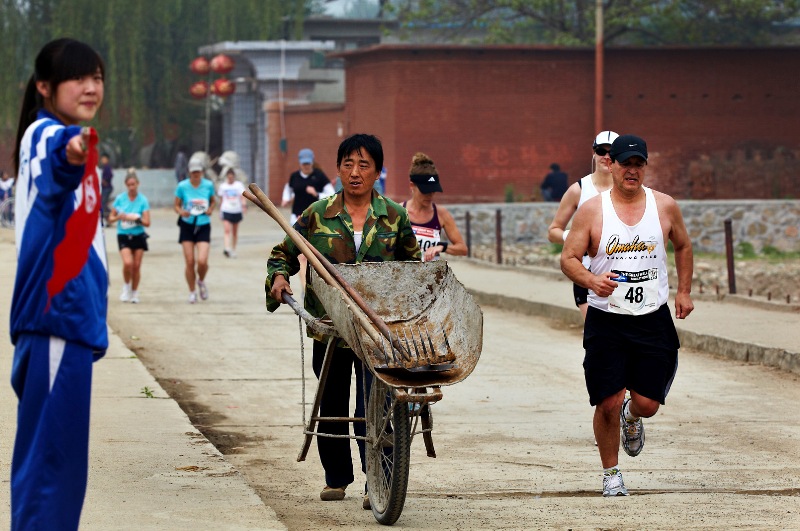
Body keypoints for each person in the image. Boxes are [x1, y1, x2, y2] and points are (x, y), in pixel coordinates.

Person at [266, 134, 420, 509]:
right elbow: (282, 252)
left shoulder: (394, 217)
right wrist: (279, 276)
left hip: (377, 331)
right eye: (348, 164)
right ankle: (336, 477)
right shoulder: (317, 214)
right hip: (329, 328)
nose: (355, 172)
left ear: (377, 172)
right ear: (337, 169)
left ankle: (378, 482)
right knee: (332, 404)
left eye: (364, 165)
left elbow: (413, 268)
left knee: (376, 407)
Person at [560, 134, 694, 497]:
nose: (631, 171)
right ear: (610, 164)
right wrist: (591, 280)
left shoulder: (664, 206)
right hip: (607, 318)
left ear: (645, 167)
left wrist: (683, 291)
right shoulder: (592, 210)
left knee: (648, 403)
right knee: (608, 400)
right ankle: (611, 474)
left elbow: (683, 245)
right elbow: (568, 258)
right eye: (625, 164)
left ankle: (632, 417)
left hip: (652, 316)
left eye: (638, 164)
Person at [9, 37, 107, 530]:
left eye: (98, 77)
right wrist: (71, 153)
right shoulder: (45, 134)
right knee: (51, 474)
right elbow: (56, 163)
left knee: (60, 471)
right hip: (56, 319)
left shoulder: (76, 139)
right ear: (45, 87)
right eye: (78, 78)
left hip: (70, 324)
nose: (91, 87)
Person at [547, 131, 619, 319]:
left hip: (621, 271)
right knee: (595, 330)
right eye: (601, 151)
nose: (606, 156)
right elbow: (553, 231)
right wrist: (574, 238)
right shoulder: (578, 189)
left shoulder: (628, 189)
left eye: (612, 152)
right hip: (587, 271)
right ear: (593, 153)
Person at [281, 148, 335, 290]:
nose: (306, 166)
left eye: (308, 163)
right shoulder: (294, 177)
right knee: (302, 255)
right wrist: (286, 199)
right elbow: (288, 189)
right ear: (300, 163)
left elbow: (332, 195)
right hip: (297, 218)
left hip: (315, 220)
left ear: (312, 162)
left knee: (315, 254)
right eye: (304, 163)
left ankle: (315, 284)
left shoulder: (319, 176)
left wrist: (316, 194)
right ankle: (305, 287)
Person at [402, 152, 468, 261]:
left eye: (433, 191)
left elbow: (462, 249)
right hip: (404, 271)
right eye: (425, 191)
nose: (430, 195)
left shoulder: (441, 214)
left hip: (431, 271)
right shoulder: (399, 212)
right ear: (412, 185)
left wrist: (442, 247)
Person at [175, 158, 216, 303]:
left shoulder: (208, 185)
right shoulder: (182, 186)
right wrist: (181, 212)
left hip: (203, 224)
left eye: (198, 171)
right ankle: (192, 291)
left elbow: (213, 201)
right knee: (190, 261)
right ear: (189, 172)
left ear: (202, 171)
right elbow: (176, 205)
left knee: (202, 260)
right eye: (193, 172)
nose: (196, 174)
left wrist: (210, 209)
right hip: (187, 225)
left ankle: (201, 280)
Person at [108, 169, 151, 303]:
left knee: (136, 266)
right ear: (126, 185)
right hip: (124, 234)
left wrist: (136, 219)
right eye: (129, 185)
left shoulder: (143, 200)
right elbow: (110, 218)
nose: (131, 187)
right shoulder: (120, 199)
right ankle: (126, 286)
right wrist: (119, 217)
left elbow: (147, 222)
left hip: (138, 235)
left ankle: (135, 292)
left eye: (133, 184)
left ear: (138, 184)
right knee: (128, 263)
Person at [217, 166, 247, 257]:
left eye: (232, 177)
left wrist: (244, 206)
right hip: (226, 209)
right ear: (227, 177)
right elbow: (221, 199)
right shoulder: (223, 186)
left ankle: (233, 249)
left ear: (234, 177)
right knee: (227, 230)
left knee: (234, 232)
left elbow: (242, 197)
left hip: (236, 210)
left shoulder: (238, 185)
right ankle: (227, 248)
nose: (230, 179)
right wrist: (220, 210)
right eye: (229, 177)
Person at [100, 154, 113, 224]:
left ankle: (112, 214)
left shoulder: (107, 167)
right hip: (104, 188)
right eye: (102, 159)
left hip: (107, 188)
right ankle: (109, 219)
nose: (103, 160)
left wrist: (104, 181)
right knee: (103, 203)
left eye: (104, 159)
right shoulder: (104, 167)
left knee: (103, 204)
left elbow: (110, 175)